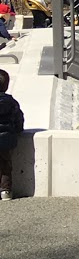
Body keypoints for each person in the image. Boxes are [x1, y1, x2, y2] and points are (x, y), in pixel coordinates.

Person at [0, 70, 22, 200]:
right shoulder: (11, 102)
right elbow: (18, 119)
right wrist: (18, 130)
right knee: (5, 165)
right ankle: (6, 191)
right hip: (6, 139)